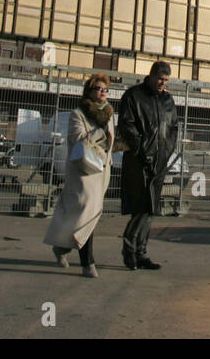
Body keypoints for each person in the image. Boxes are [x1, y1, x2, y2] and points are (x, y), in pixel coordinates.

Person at [43, 75, 115, 278]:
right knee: (86, 212)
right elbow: (78, 140)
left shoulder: (110, 114)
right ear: (89, 91)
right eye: (99, 89)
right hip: (83, 171)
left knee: (86, 215)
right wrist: (100, 134)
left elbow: (111, 142)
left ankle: (61, 247)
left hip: (101, 171)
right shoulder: (78, 114)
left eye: (106, 90)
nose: (103, 93)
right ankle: (88, 263)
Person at [117, 61, 177, 271]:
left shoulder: (167, 100)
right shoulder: (134, 96)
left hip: (159, 161)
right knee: (142, 207)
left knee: (150, 209)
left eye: (166, 80)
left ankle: (140, 252)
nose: (163, 83)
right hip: (138, 161)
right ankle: (131, 249)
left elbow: (172, 129)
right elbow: (126, 125)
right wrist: (143, 151)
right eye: (160, 79)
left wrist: (166, 153)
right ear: (150, 76)